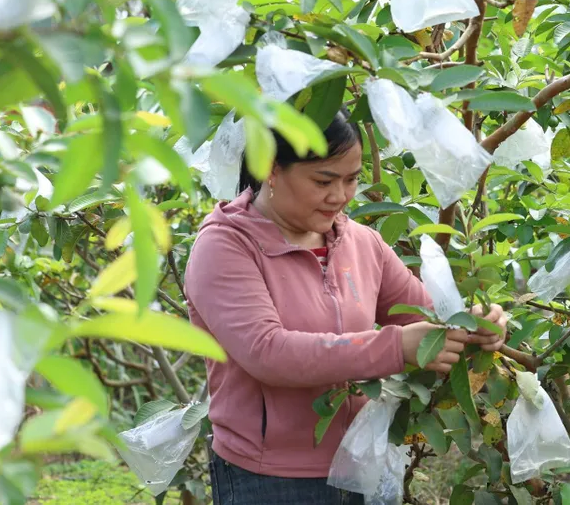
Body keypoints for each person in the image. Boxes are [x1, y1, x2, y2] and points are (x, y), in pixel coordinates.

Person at [185, 109, 508, 504]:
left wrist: (476, 326)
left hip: (360, 462)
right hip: (270, 478)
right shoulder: (224, 247)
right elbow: (268, 352)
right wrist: (396, 347)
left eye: (351, 179)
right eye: (323, 181)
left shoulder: (361, 243)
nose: (339, 196)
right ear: (271, 169)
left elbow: (430, 319)